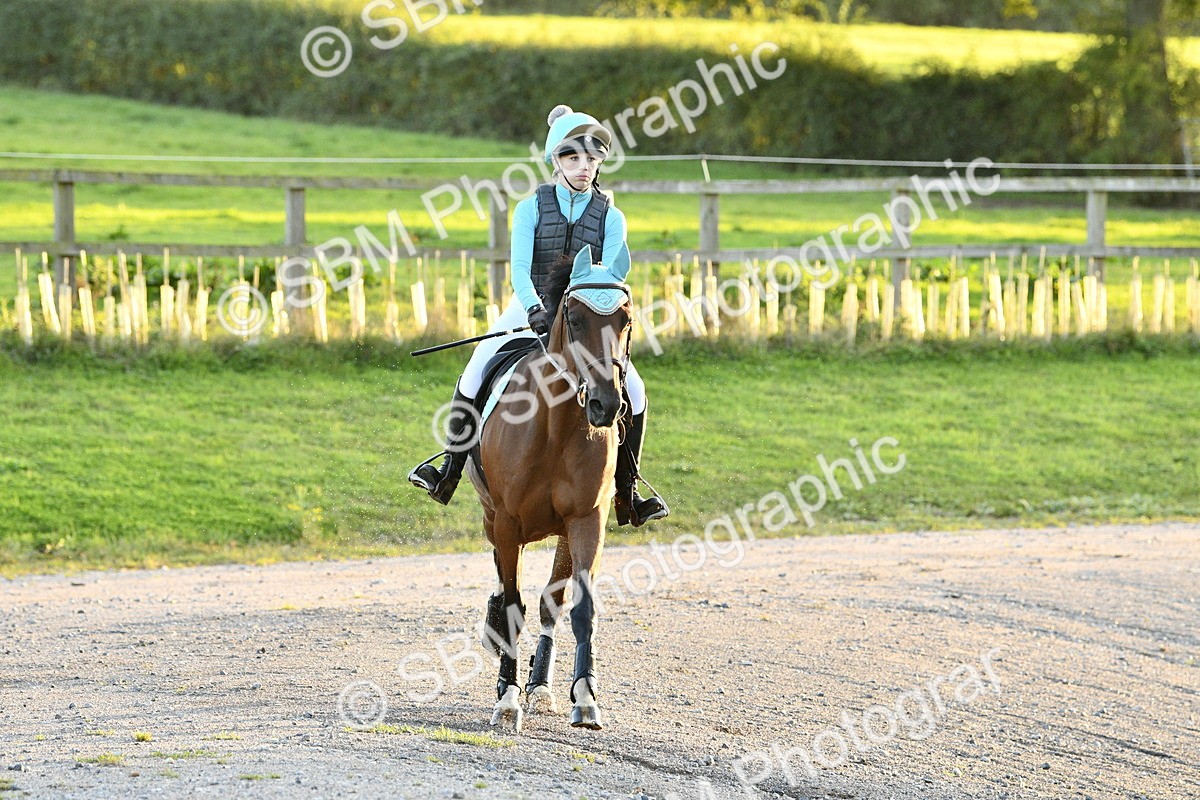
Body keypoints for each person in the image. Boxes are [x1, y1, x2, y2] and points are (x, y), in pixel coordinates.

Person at [408, 104, 669, 527]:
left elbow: (609, 277)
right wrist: (535, 311)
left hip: (586, 316)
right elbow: (518, 270)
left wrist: (578, 316)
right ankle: (448, 472)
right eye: (573, 158)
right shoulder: (529, 209)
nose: (584, 167)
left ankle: (629, 491)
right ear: (555, 161)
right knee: (475, 373)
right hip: (527, 305)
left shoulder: (612, 217)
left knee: (634, 391)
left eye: (592, 159)